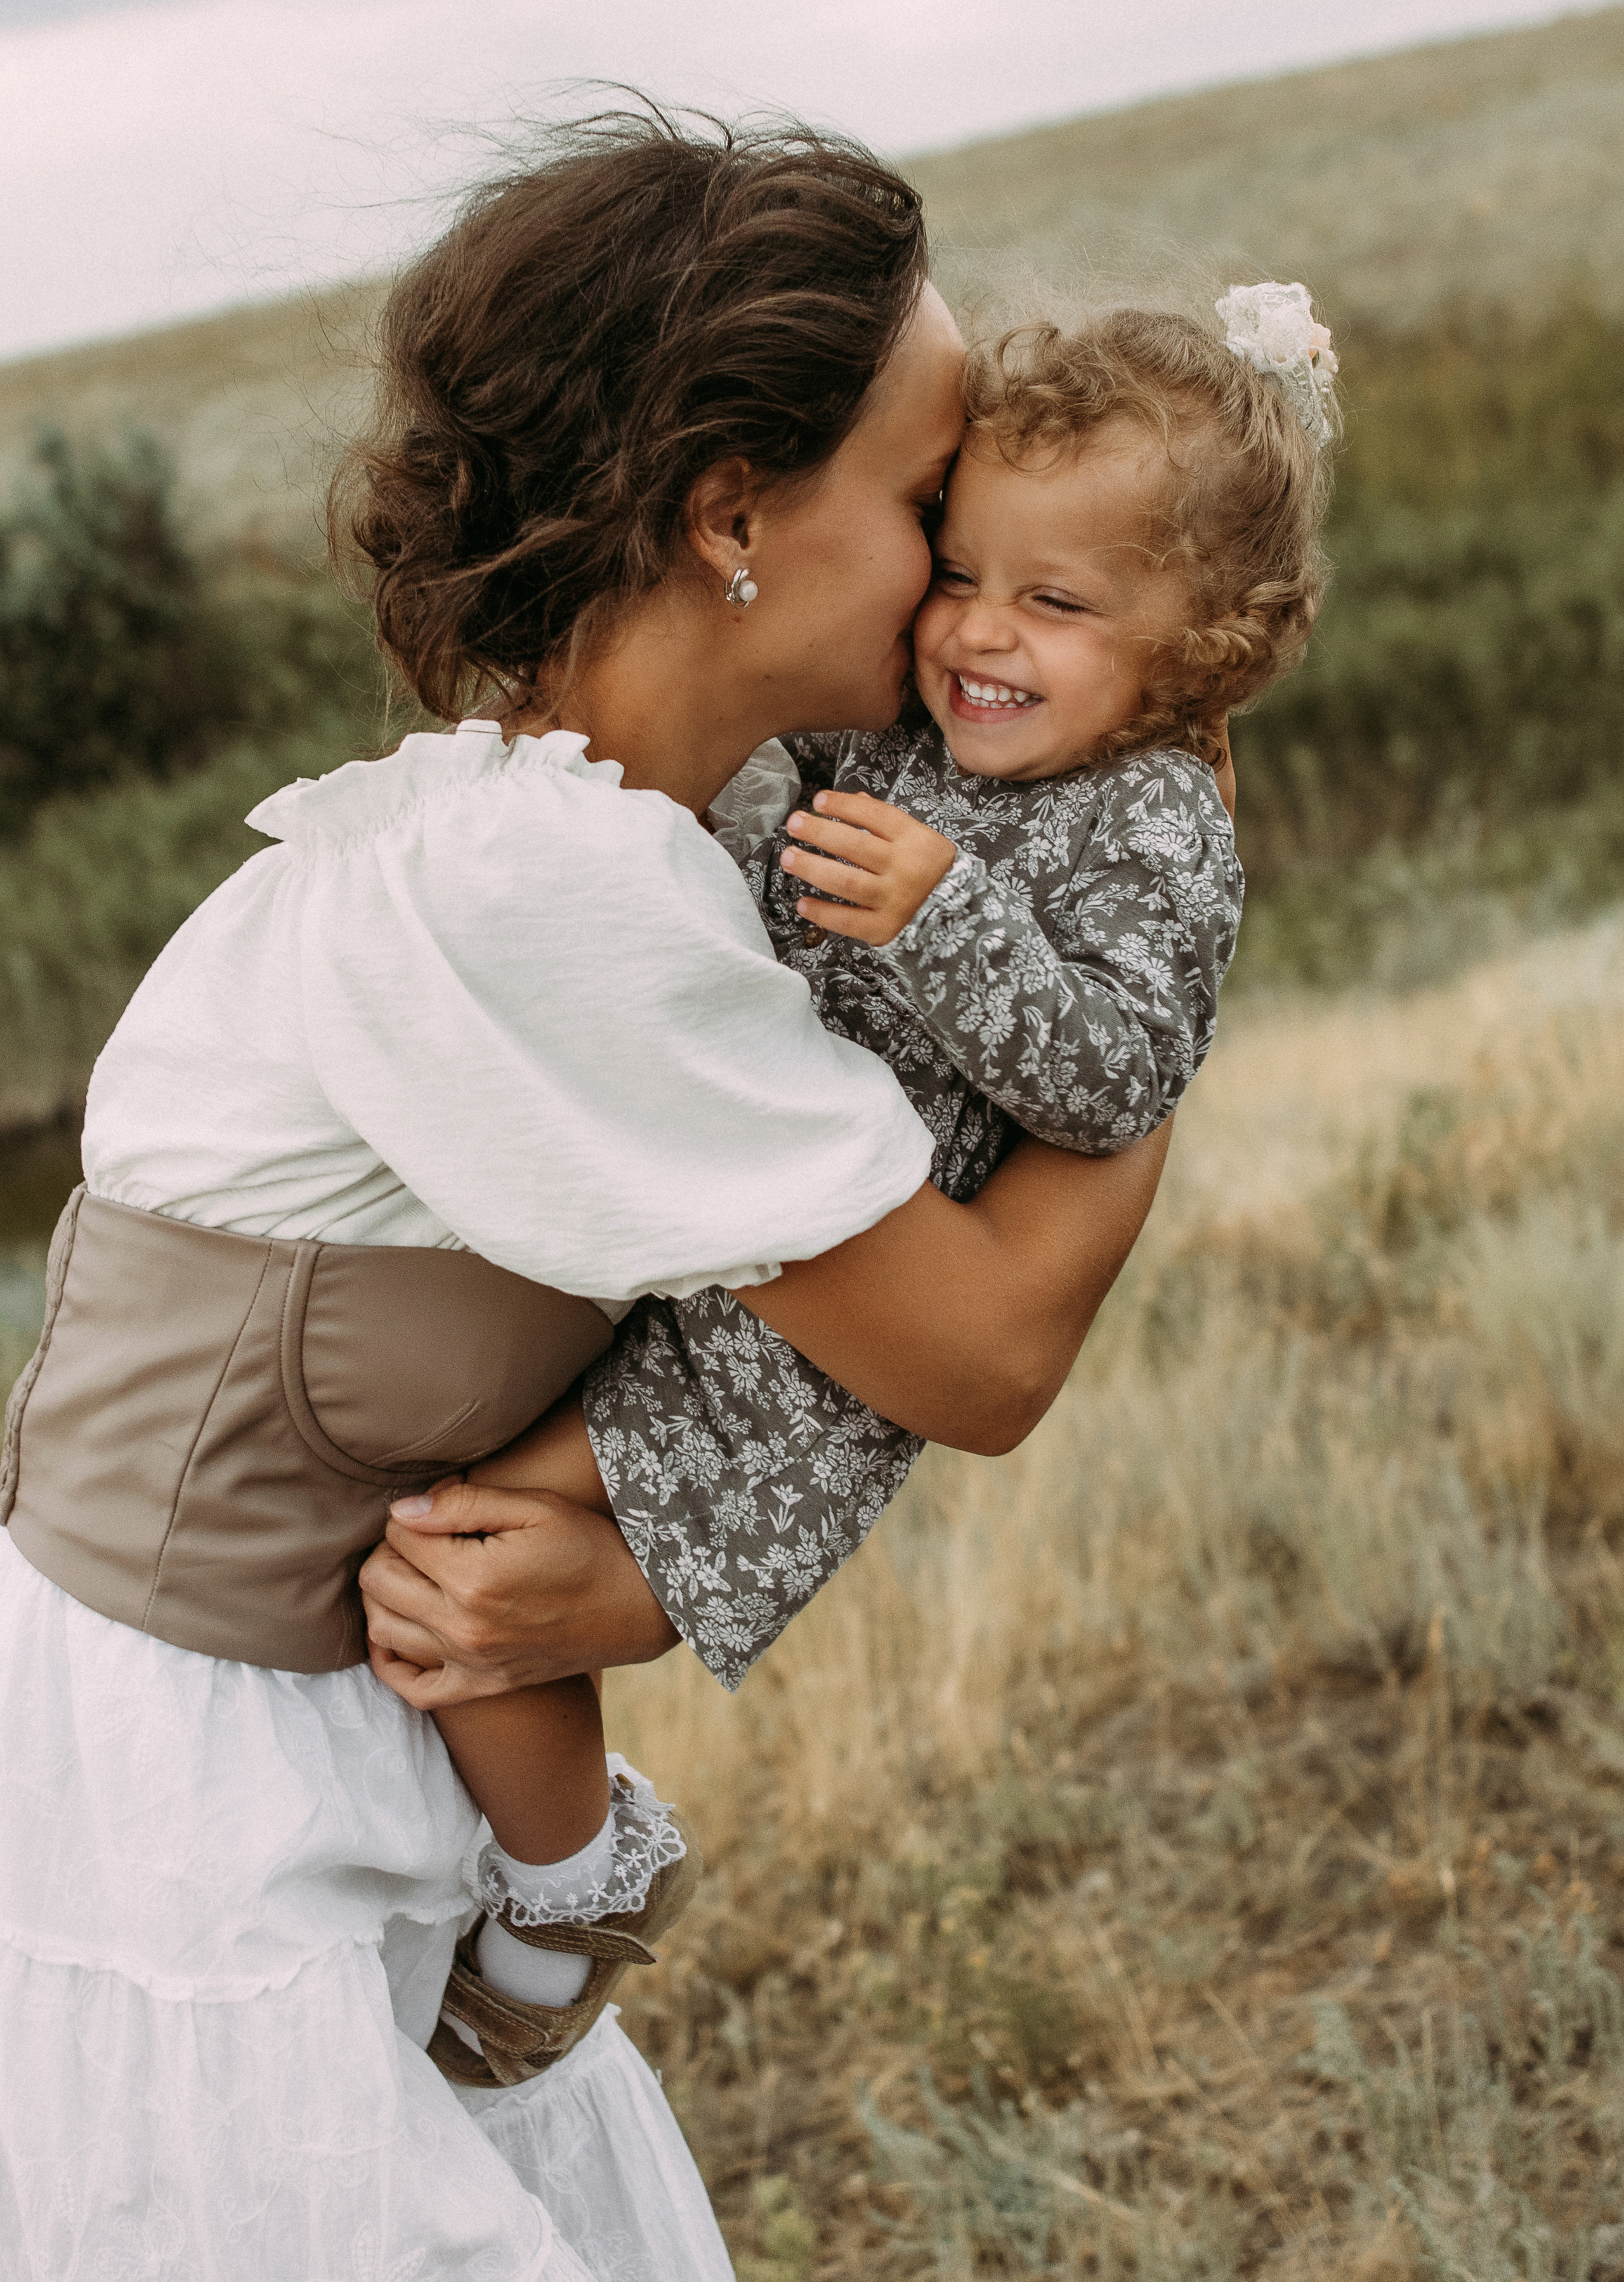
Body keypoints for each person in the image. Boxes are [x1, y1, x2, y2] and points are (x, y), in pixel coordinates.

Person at [0, 114, 1172, 2282]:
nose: (960, 566)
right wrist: (1158, 977)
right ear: (734, 513)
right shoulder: (542, 899)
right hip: (190, 1815)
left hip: (337, 1762)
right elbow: (986, 1355)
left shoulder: (649, 820)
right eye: (929, 504)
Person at [361, 286, 1332, 2080]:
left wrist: (951, 915)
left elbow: (1118, 1082)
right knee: (436, 1540)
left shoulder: (1159, 830)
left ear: (1200, 645)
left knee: (450, 1554)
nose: (976, 633)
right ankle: (496, 1874)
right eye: (961, 569)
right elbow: (747, 795)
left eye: (1054, 603)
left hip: (809, 1371)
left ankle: (562, 1906)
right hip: (707, 1252)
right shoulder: (913, 735)